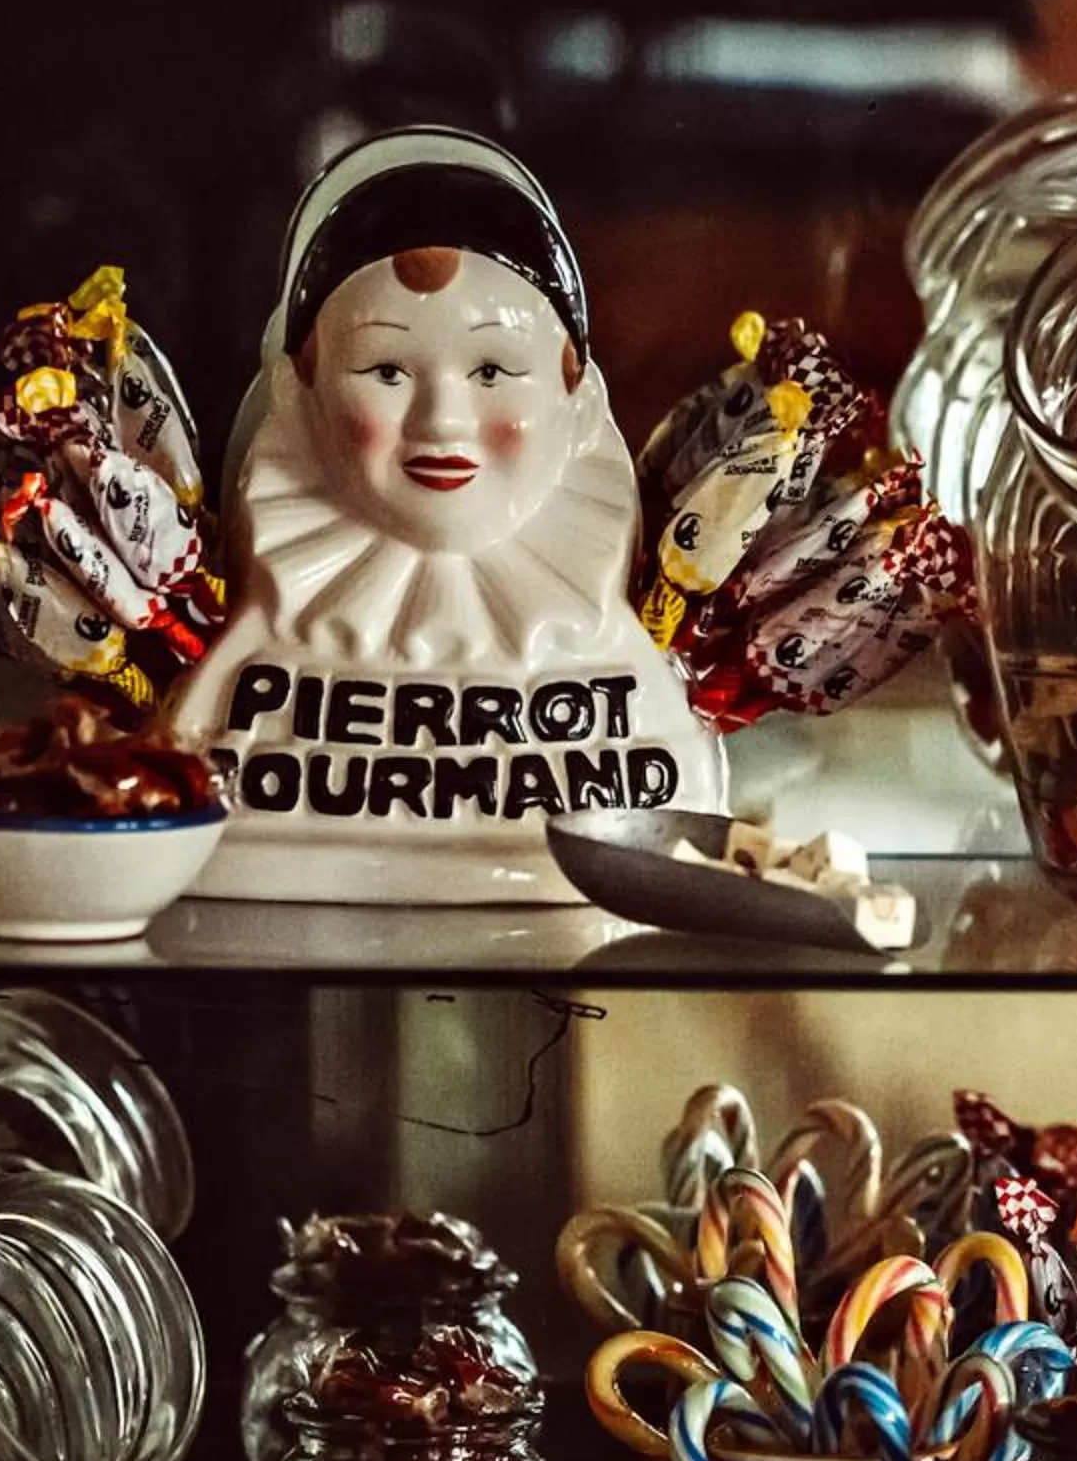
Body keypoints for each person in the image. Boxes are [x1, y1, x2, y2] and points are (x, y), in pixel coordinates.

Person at [171, 128, 725, 903]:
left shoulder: (625, 675)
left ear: (578, 396)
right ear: (298, 393)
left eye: (493, 370)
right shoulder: (237, 678)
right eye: (386, 370)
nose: (443, 423)